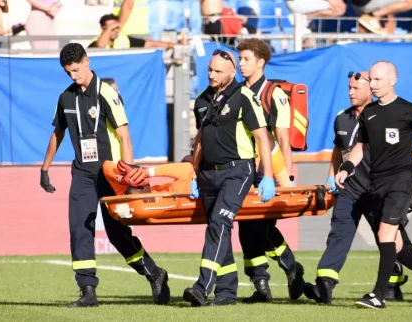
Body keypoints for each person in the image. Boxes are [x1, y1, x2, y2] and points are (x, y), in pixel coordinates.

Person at [39, 43, 169, 308]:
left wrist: (131, 177)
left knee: (117, 235)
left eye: (76, 70)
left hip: (111, 175)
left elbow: (124, 135)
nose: (73, 76)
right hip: (83, 176)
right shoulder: (66, 98)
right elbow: (58, 133)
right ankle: (88, 291)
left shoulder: (106, 93)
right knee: (79, 230)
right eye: (68, 73)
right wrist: (45, 168)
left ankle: (154, 273)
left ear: (86, 61)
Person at [335, 61, 412, 309]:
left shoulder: (410, 111)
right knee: (396, 244)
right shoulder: (369, 113)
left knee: (385, 233)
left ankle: (378, 295)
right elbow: (360, 148)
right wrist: (346, 168)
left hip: (402, 180)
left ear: (392, 80)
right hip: (377, 183)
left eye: (377, 80)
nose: (371, 84)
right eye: (370, 80)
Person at [303, 71, 411, 304]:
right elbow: (337, 149)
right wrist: (332, 176)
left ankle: (394, 282)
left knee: (390, 238)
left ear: (370, 87)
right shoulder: (342, 118)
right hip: (349, 190)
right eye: (349, 88)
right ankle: (325, 285)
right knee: (338, 234)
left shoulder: (384, 116)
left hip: (377, 190)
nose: (351, 92)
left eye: (355, 88)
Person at [183, 49, 275, 307]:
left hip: (237, 171)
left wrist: (267, 176)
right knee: (217, 228)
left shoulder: (244, 96)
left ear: (232, 72)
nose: (211, 75)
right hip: (207, 174)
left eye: (217, 71)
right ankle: (226, 293)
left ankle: (202, 287)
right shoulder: (202, 100)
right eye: (209, 70)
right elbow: (200, 139)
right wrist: (194, 172)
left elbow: (262, 138)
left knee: (218, 225)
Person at [235, 38, 305, 303]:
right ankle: (261, 285)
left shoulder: (274, 94)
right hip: (244, 169)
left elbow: (283, 140)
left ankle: (290, 267)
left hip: (269, 170)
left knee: (261, 228)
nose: (241, 64)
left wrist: (285, 179)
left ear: (261, 62)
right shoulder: (238, 92)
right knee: (246, 228)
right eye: (240, 59)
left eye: (246, 59)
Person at [102, 159, 194, 195]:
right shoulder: (170, 192)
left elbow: (106, 165)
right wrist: (147, 172)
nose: (142, 180)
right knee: (188, 158)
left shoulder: (122, 193)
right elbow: (187, 168)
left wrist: (122, 180)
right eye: (140, 183)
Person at [88, 14, 175, 49]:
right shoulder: (95, 42)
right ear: (103, 29)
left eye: (117, 27)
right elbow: (100, 46)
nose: (115, 30)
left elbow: (149, 44)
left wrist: (173, 45)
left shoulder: (123, 39)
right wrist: (111, 26)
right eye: (111, 28)